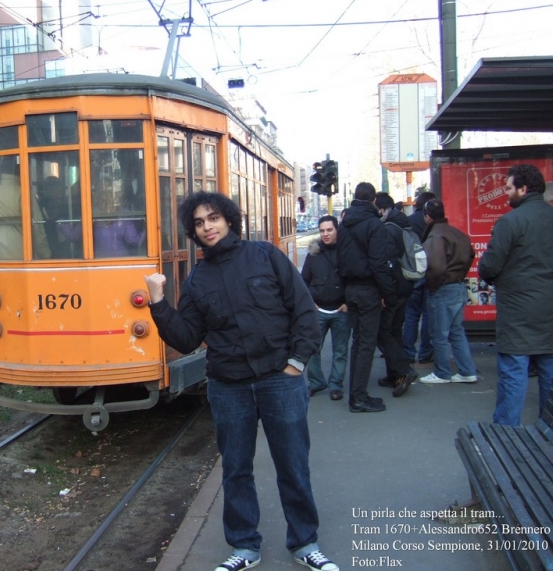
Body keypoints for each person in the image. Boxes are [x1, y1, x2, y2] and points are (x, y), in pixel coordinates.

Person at [144, 192, 337, 571]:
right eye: (199, 223)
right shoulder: (198, 278)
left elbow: (302, 307)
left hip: (279, 380)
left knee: (293, 465)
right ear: (193, 231)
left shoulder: (264, 255)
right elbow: (185, 338)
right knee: (235, 469)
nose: (207, 227)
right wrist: (158, 301)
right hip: (229, 386)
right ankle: (244, 547)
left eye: (213, 218)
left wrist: (297, 362)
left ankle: (305, 542)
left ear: (229, 219)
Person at [478, 164, 553, 426]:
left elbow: (489, 265)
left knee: (513, 375)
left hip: (518, 312)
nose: (506, 193)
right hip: (549, 312)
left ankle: (507, 436)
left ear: (523, 189)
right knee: (550, 376)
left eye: (509, 188)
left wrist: (494, 278)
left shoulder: (510, 221)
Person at [337, 182, 398, 412]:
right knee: (366, 345)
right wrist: (387, 293)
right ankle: (359, 398)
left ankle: (356, 394)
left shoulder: (343, 225)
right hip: (369, 290)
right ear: (374, 201)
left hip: (351, 290)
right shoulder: (374, 225)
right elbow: (378, 264)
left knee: (358, 343)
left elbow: (340, 261)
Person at [416, 199, 478, 384]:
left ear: (427, 217)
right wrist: (459, 274)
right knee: (456, 331)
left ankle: (442, 372)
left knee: (439, 334)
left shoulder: (434, 237)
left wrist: (433, 286)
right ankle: (467, 370)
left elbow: (435, 267)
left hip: (442, 288)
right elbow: (471, 254)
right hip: (458, 285)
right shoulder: (456, 234)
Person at [301, 215, 350, 401]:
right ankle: (316, 382)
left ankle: (335, 385)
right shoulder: (313, 254)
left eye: (329, 230)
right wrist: (309, 302)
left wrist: (348, 303)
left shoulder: (346, 252)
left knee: (340, 351)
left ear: (337, 230)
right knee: (313, 349)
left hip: (341, 311)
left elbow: (353, 280)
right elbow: (303, 280)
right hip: (318, 311)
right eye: (322, 231)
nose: (325, 234)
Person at [374, 192, 419, 394]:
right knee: (394, 332)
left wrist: (386, 292)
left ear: (382, 210)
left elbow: (388, 263)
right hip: (406, 286)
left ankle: (404, 369)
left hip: (393, 290)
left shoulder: (387, 230)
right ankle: (395, 376)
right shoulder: (404, 225)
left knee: (383, 333)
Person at [403, 191, 437, 365]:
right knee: (428, 315)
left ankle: (408, 352)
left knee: (411, 315)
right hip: (431, 272)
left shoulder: (408, 223)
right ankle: (425, 352)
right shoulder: (434, 223)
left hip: (413, 274)